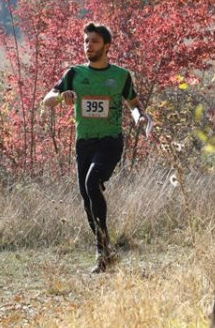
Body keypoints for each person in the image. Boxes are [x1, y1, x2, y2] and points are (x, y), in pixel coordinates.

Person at [42, 22, 151, 273]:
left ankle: (103, 251)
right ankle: (105, 252)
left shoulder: (121, 75)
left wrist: (140, 117)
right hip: (84, 143)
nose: (88, 46)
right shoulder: (74, 73)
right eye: (86, 41)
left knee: (92, 183)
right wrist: (62, 96)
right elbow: (46, 101)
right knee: (86, 198)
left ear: (107, 45)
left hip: (110, 141)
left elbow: (134, 104)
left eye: (94, 41)